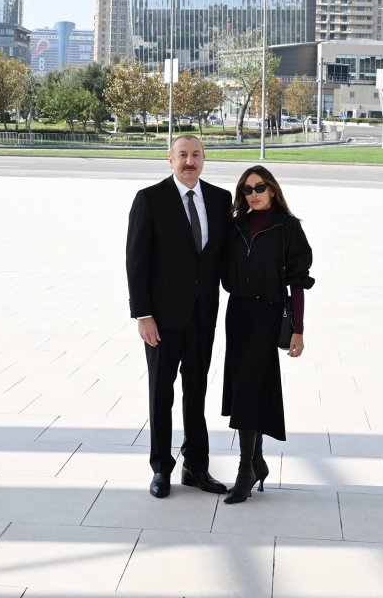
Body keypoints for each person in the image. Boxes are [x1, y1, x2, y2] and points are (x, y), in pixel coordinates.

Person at [125, 134, 232, 498]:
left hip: (203, 316)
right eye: (182, 155)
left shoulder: (220, 200)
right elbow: (136, 262)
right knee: (161, 394)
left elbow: (224, 257)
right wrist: (143, 315)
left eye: (196, 155)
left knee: (196, 392)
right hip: (162, 320)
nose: (190, 162)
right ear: (169, 160)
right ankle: (160, 469)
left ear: (205, 159)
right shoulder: (149, 200)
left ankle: (196, 467)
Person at [219, 164, 314, 504]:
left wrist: (298, 330)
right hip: (238, 313)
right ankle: (257, 461)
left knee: (249, 387)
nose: (254, 194)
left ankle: (246, 469)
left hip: (268, 314)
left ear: (272, 189)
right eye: (247, 189)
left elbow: (298, 283)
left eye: (260, 187)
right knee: (246, 386)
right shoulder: (235, 226)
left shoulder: (288, 228)